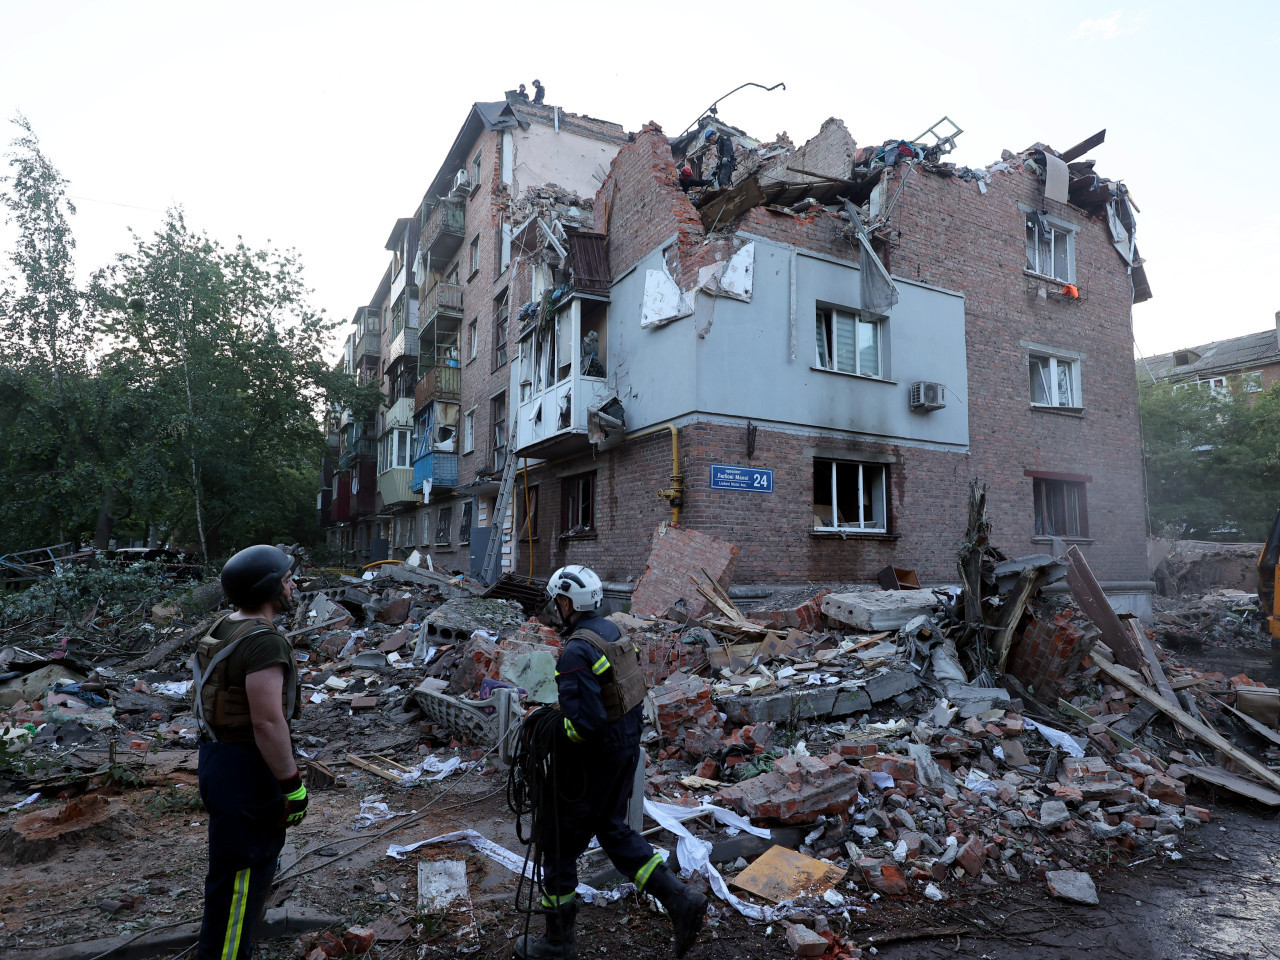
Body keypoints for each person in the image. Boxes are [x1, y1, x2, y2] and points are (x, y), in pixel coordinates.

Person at [514, 565, 707, 960]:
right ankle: (681, 901)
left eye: (558, 601)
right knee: (614, 832)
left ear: (567, 602)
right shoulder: (613, 633)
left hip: (590, 764)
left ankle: (557, 943)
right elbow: (618, 701)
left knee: (558, 845)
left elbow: (584, 725)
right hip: (623, 753)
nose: (556, 608)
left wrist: (551, 736)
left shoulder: (575, 652)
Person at [193, 545, 307, 960]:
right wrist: (292, 786)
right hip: (245, 768)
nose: (293, 585)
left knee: (231, 874)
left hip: (218, 758)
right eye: (286, 579)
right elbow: (267, 722)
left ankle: (226, 947)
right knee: (243, 875)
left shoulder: (227, 624)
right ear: (268, 588)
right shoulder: (263, 643)